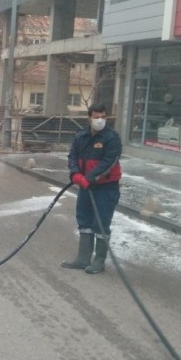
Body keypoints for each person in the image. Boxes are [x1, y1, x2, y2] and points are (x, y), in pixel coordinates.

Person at [61, 103, 122, 274]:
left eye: (103, 117)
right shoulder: (81, 136)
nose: (100, 120)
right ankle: (83, 258)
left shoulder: (112, 138)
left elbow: (108, 163)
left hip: (105, 188)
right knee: (84, 221)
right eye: (96, 117)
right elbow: (72, 156)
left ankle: (99, 261)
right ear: (89, 118)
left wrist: (89, 178)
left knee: (101, 223)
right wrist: (75, 174)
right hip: (85, 187)